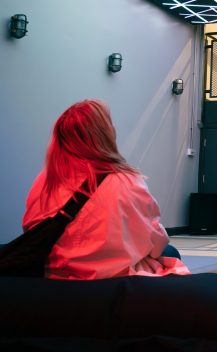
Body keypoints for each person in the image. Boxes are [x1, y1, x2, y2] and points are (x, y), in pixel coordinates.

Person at [22, 99, 190, 280]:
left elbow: (31, 231)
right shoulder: (126, 181)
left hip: (54, 275)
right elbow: (156, 244)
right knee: (169, 251)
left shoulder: (45, 180)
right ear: (104, 135)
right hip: (106, 278)